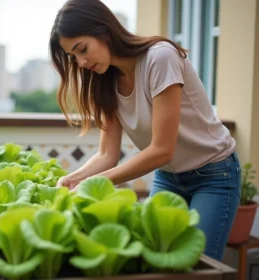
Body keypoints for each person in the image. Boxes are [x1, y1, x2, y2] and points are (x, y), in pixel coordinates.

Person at [51, 0, 240, 262]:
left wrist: (95, 183)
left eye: (82, 49)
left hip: (213, 175)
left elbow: (162, 150)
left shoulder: (160, 58)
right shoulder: (104, 81)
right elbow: (107, 153)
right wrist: (74, 180)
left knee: (199, 266)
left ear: (104, 30)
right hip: (169, 177)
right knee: (154, 262)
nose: (81, 62)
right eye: (74, 56)